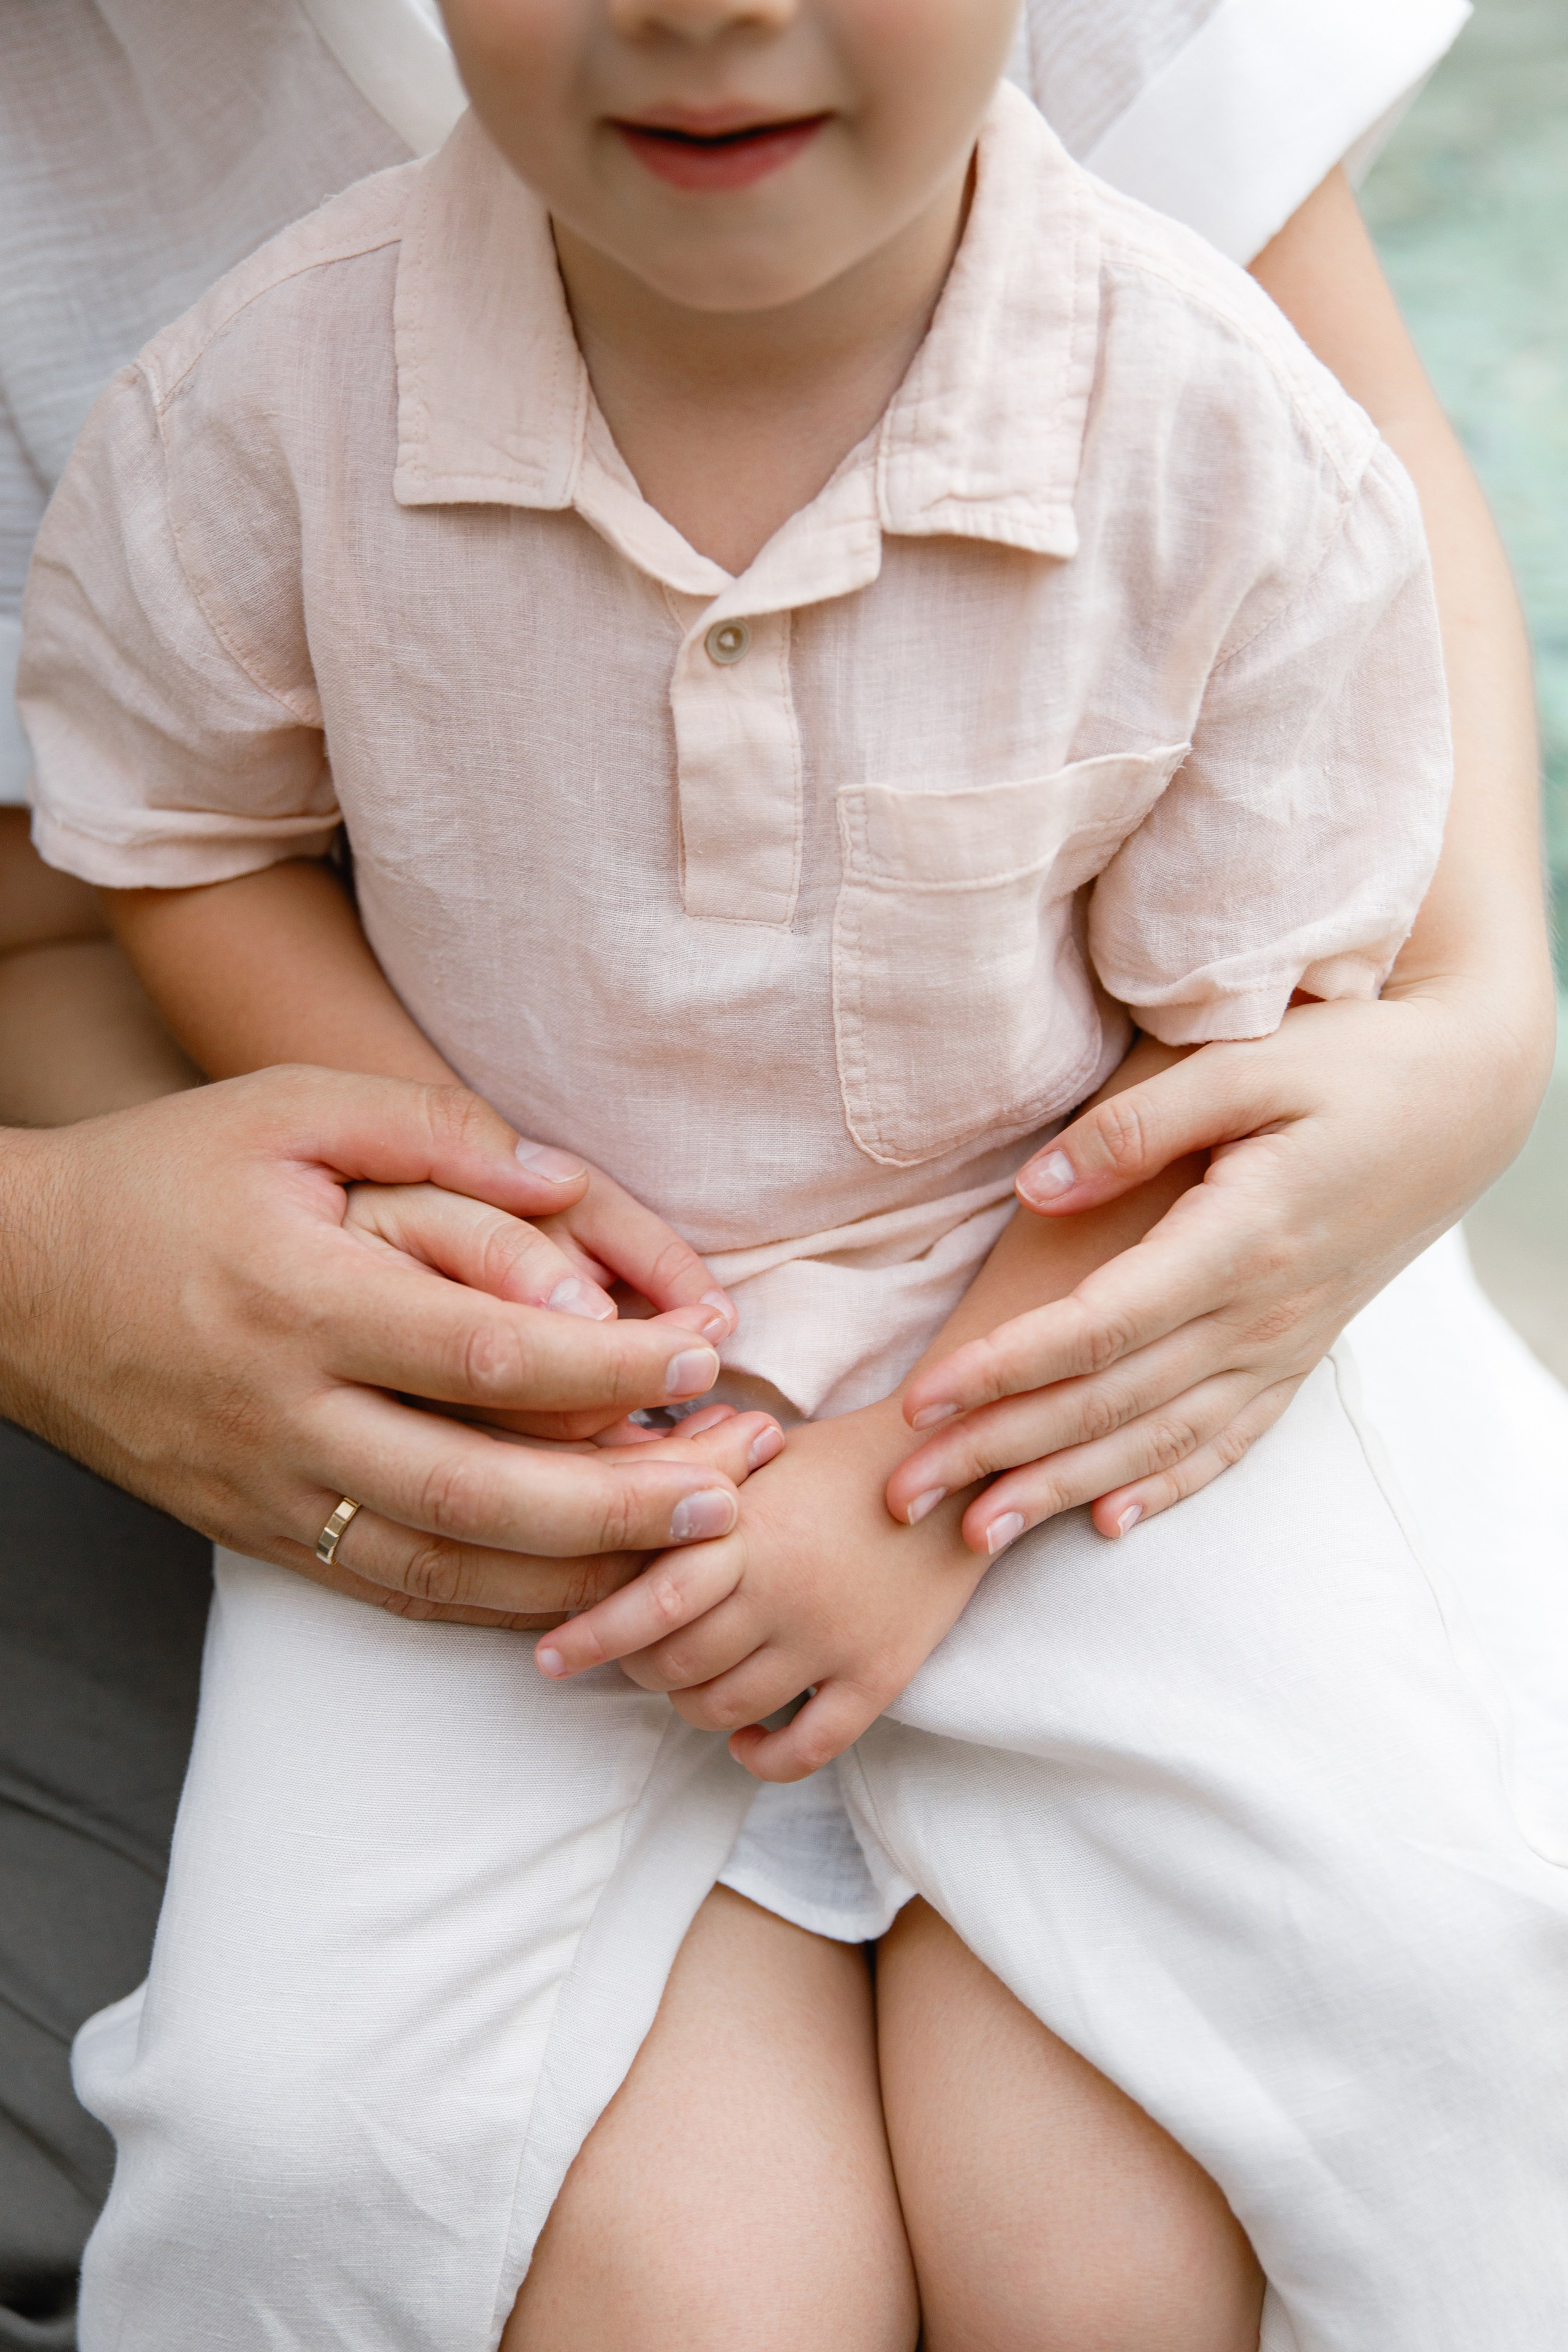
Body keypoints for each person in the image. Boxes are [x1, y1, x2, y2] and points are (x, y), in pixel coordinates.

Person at [0, 1, 1558, 2347]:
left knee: (1408, 1996)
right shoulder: (263, 401)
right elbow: (172, 830)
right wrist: (497, 1232)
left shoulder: (1218, 435)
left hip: (1058, 1318)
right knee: (295, 2128)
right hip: (508, 1368)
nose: (705, 10)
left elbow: (1239, 1039)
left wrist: (919, 1487)